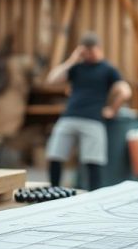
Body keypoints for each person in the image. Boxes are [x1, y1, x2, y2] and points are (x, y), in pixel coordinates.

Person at [44, 31, 133, 190]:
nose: (88, 55)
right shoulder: (76, 68)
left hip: (93, 119)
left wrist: (112, 110)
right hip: (69, 117)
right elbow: (51, 80)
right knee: (55, 155)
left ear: (98, 49)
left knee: (93, 161)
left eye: (90, 51)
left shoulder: (108, 69)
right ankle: (53, 190)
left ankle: (94, 195)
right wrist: (72, 59)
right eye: (85, 51)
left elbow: (125, 91)